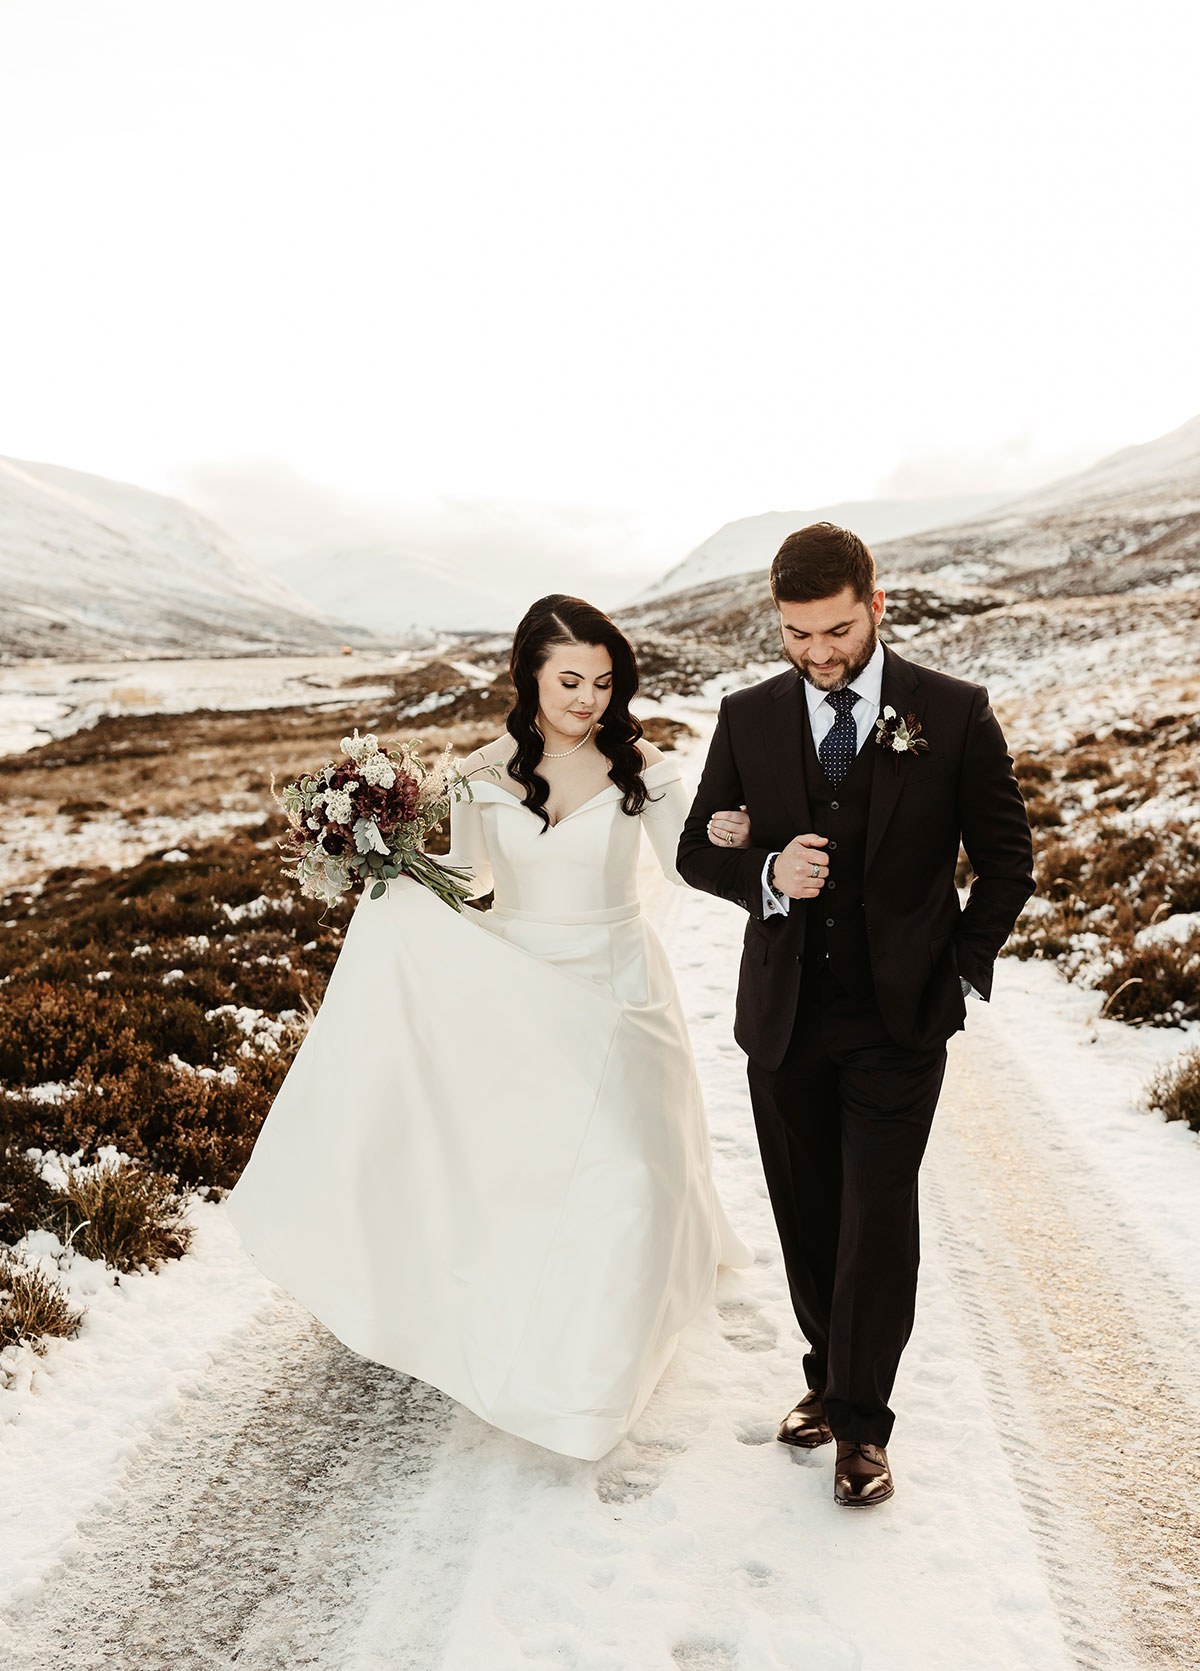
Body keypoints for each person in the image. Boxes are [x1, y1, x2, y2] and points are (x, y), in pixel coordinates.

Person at [225, 593, 750, 1462]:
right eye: (571, 679)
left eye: (604, 682)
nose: (589, 699)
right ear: (530, 677)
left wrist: (731, 834)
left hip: (620, 985)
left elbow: (687, 865)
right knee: (532, 1174)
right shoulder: (477, 776)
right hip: (524, 984)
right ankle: (547, 1342)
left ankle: (599, 1368)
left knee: (632, 1172)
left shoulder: (642, 768)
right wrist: (389, 869)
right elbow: (467, 886)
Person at [678, 523, 1034, 1507]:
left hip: (899, 1024)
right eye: (798, 633)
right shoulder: (748, 717)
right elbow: (699, 851)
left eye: (836, 630)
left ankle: (863, 1430)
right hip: (786, 1019)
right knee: (809, 1214)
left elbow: (1009, 863)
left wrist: (958, 966)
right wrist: (765, 874)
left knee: (878, 1219)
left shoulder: (952, 714)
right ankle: (825, 1382)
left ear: (876, 607)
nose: (819, 653)